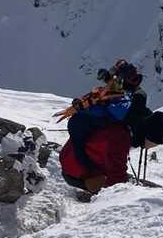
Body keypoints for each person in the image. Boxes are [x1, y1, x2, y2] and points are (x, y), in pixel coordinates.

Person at [58, 61, 150, 197]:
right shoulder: (117, 130)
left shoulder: (100, 110)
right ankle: (97, 187)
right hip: (83, 173)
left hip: (70, 169)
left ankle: (95, 182)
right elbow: (116, 179)